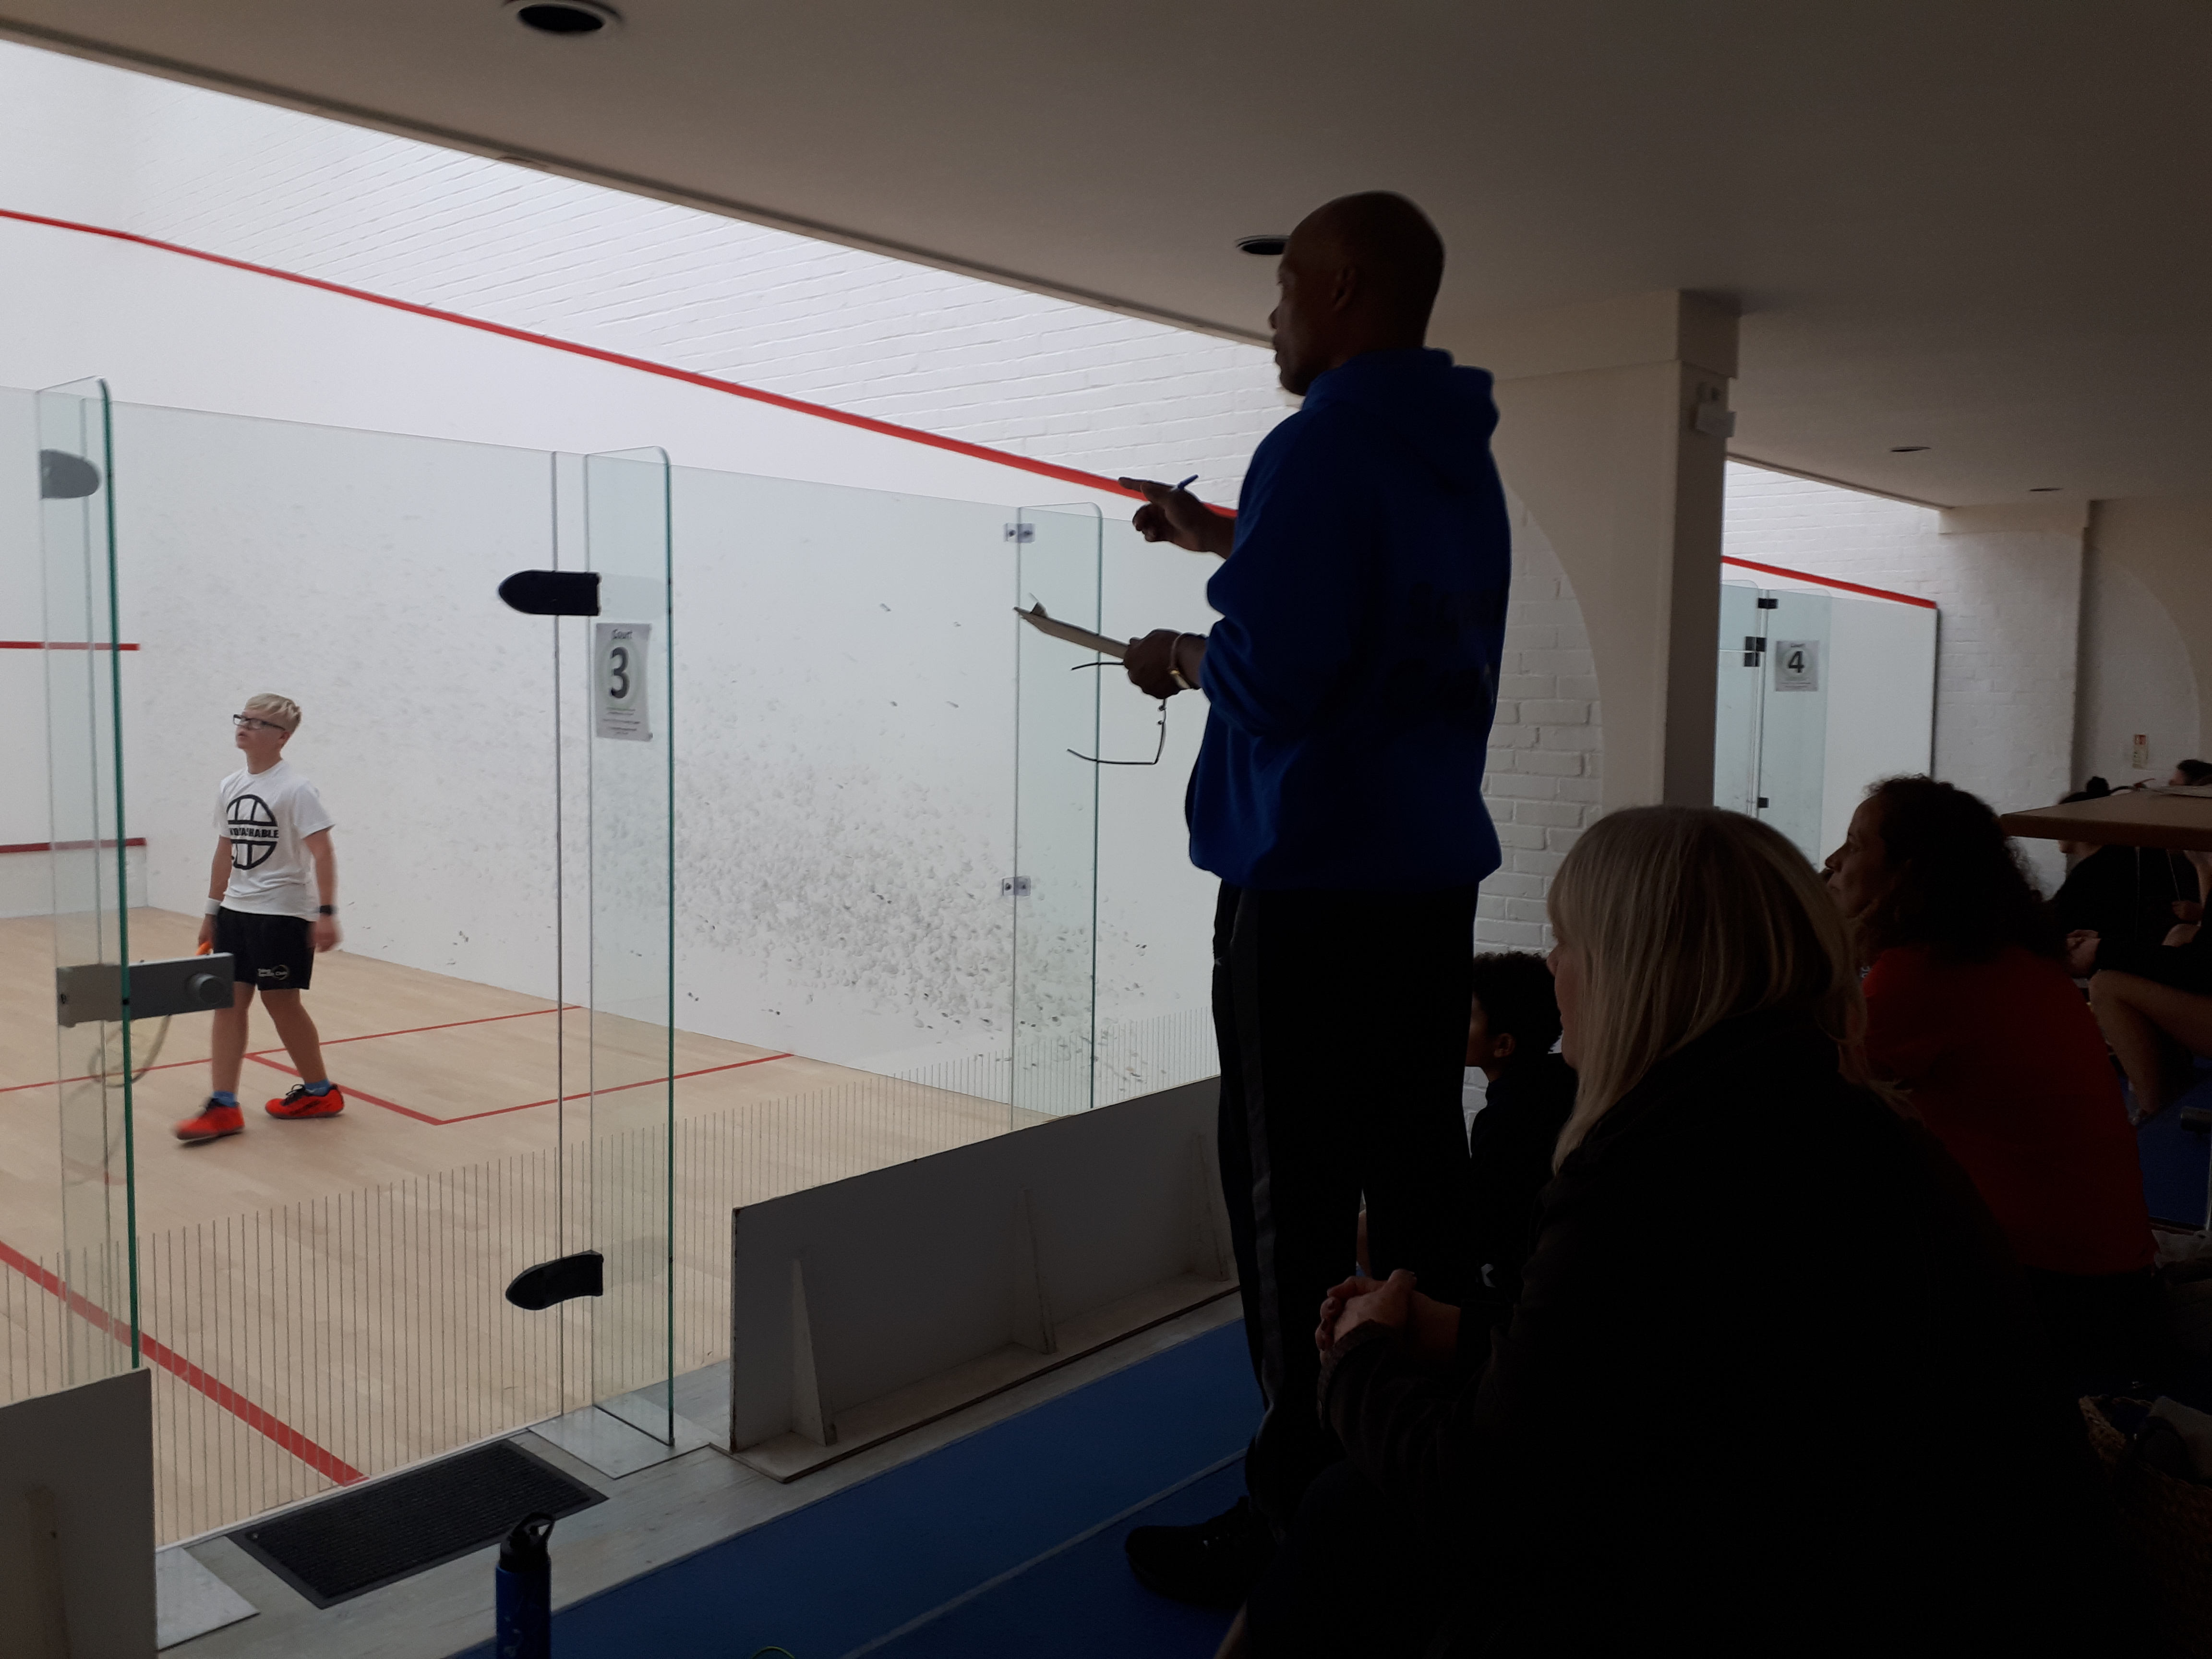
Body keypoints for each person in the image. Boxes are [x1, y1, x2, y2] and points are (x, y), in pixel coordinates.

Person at [1224, 807, 2125, 1657]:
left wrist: (1356, 1363)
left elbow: (1485, 1499)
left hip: (1870, 1601)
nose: (1552, 968)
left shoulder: (1651, 1172)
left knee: (1355, 1514)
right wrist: (1457, 1336)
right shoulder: (1838, 1123)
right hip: (2001, 1585)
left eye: (1567, 941)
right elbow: (1651, 1369)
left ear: (1635, 970)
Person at [1116, 192, 1510, 1606]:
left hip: (1309, 892)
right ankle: (1414, 1475)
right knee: (1416, 1184)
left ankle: (1297, 1515)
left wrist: (1178, 652)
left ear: (1342, 288)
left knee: (1292, 1213)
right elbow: (1371, 596)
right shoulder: (1453, 456)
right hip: (1423, 887)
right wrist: (1226, 535)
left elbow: (1275, 677)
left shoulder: (1321, 443)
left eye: (1284, 285)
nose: (1271, 314)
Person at [1826, 776, 2156, 1388]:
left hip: (2045, 1301)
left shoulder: (1922, 976)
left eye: (1854, 844)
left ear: (1907, 874)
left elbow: (1801, 1101)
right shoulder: (2012, 957)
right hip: (2113, 1290)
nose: (1833, 861)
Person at [173, 695, 348, 1143]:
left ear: (282, 737)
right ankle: (224, 1106)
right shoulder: (230, 785)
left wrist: (326, 913)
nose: (245, 727)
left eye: (258, 722)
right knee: (228, 1004)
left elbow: (323, 852)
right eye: (243, 718)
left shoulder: (296, 789)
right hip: (236, 912)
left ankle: (320, 1092)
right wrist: (212, 912)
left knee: (281, 1004)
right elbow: (225, 851)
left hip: (282, 915)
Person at [1461, 951, 1575, 1313]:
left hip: (1512, 1283)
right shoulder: (1562, 1079)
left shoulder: (1504, 1121)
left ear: (1504, 1045)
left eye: (1468, 1016)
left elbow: (1485, 1220)